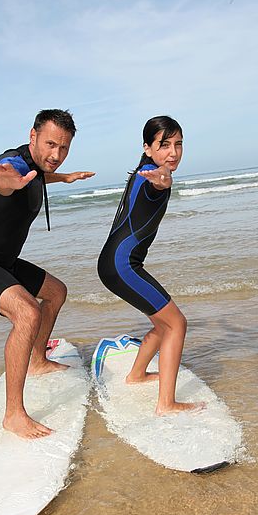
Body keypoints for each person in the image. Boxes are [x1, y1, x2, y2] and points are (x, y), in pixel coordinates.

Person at [0, 109, 95, 439]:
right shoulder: (12, 165)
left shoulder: (36, 167)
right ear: (32, 137)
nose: (56, 155)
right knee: (27, 312)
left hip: (4, 260)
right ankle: (14, 415)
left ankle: (37, 360)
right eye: (50, 144)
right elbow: (8, 178)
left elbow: (38, 173)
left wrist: (66, 177)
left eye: (64, 148)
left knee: (56, 292)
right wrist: (3, 181)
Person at [97, 115, 205, 415]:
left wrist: (163, 179)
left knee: (162, 323)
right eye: (164, 145)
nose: (173, 152)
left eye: (178, 144)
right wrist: (163, 181)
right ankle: (166, 404)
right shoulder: (151, 175)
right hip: (122, 266)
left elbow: (158, 181)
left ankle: (137, 375)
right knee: (177, 323)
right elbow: (158, 184)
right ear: (148, 148)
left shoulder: (146, 172)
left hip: (115, 264)